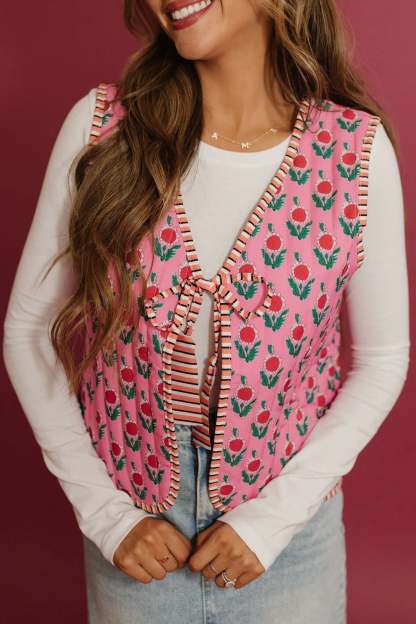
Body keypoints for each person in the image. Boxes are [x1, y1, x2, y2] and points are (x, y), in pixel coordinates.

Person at [3, 1, 410, 622]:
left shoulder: (354, 152)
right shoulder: (104, 126)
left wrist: (271, 522)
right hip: (136, 533)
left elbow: (383, 360)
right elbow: (29, 331)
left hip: (289, 535)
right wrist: (108, 517)